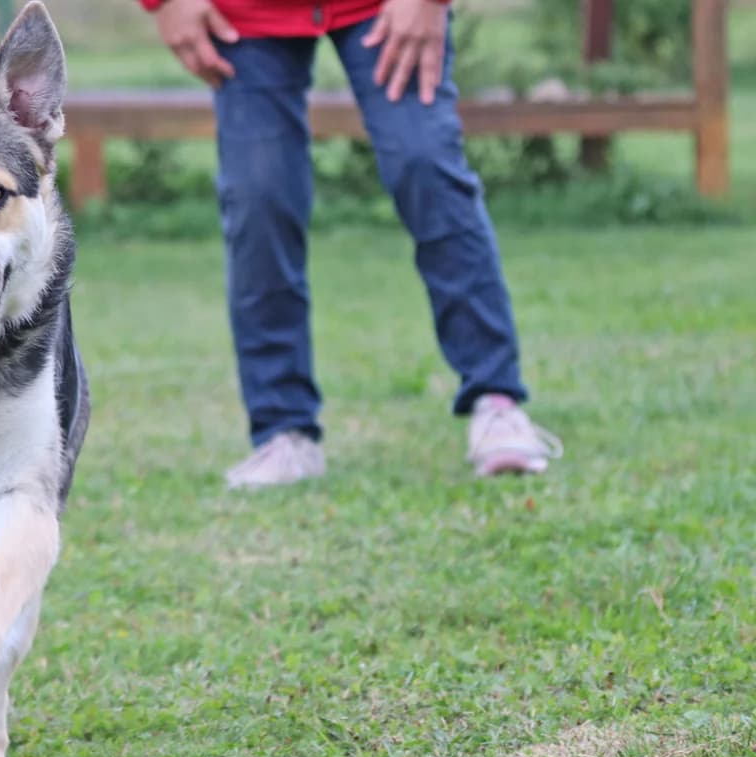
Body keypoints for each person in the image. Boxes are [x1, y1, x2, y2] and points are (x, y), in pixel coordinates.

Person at [138, 0, 562, 487]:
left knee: (425, 165)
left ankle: (497, 402)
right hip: (246, 17)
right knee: (259, 197)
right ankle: (283, 430)